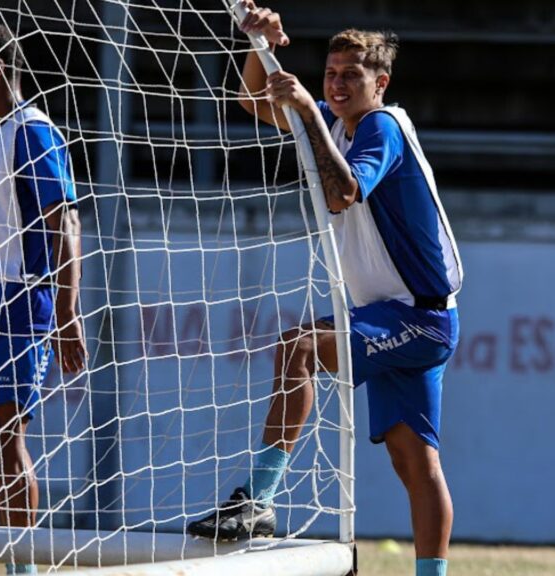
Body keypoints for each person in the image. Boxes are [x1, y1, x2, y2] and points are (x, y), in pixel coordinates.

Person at [187, 4, 463, 576]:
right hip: (398, 315)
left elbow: (343, 192)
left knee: (298, 346)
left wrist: (308, 108)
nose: (336, 84)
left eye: (350, 76)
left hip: (416, 317)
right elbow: (251, 103)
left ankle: (258, 501)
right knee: (416, 464)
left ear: (379, 84)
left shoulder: (382, 125)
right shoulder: (339, 125)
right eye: (330, 74)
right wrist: (260, 47)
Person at [0, 23, 86, 575]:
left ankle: (23, 570)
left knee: (7, 444)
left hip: (17, 302)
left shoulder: (32, 130)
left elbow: (65, 220)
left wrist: (68, 312)